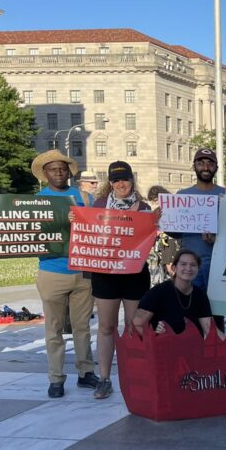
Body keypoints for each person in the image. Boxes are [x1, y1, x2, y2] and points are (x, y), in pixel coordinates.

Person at [30, 151, 98, 397]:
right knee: (54, 328)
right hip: (52, 270)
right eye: (53, 169)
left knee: (83, 326)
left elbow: (100, 226)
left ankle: (86, 372)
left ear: (69, 171)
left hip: (83, 270)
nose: (58, 172)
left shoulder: (85, 198)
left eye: (62, 168)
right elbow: (19, 226)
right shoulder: (35, 201)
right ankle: (56, 378)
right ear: (44, 173)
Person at [88, 161, 155, 399]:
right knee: (106, 326)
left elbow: (148, 242)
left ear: (132, 180)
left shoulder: (145, 208)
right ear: (110, 183)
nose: (121, 184)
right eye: (116, 180)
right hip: (105, 273)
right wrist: (75, 220)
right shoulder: (98, 205)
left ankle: (136, 375)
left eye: (124, 179)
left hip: (135, 273)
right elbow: (87, 232)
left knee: (134, 326)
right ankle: (104, 378)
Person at [133, 249, 217, 338]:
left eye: (193, 265)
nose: (188, 268)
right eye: (183, 264)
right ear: (174, 268)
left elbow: (209, 329)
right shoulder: (158, 292)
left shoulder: (200, 294)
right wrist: (152, 334)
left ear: (198, 269)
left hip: (192, 345)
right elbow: (136, 324)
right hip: (163, 344)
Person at [176, 148, 226, 291]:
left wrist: (217, 239)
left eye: (210, 164)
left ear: (216, 168)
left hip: (221, 266)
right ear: (194, 166)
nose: (205, 167)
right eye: (201, 163)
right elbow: (175, 232)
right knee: (190, 304)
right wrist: (162, 221)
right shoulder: (181, 196)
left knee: (218, 306)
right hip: (190, 267)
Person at [146, 185, 181, 286]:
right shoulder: (171, 206)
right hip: (165, 240)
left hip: (166, 239)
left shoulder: (165, 208)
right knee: (168, 265)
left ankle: (176, 285)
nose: (155, 203)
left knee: (170, 265)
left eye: (156, 200)